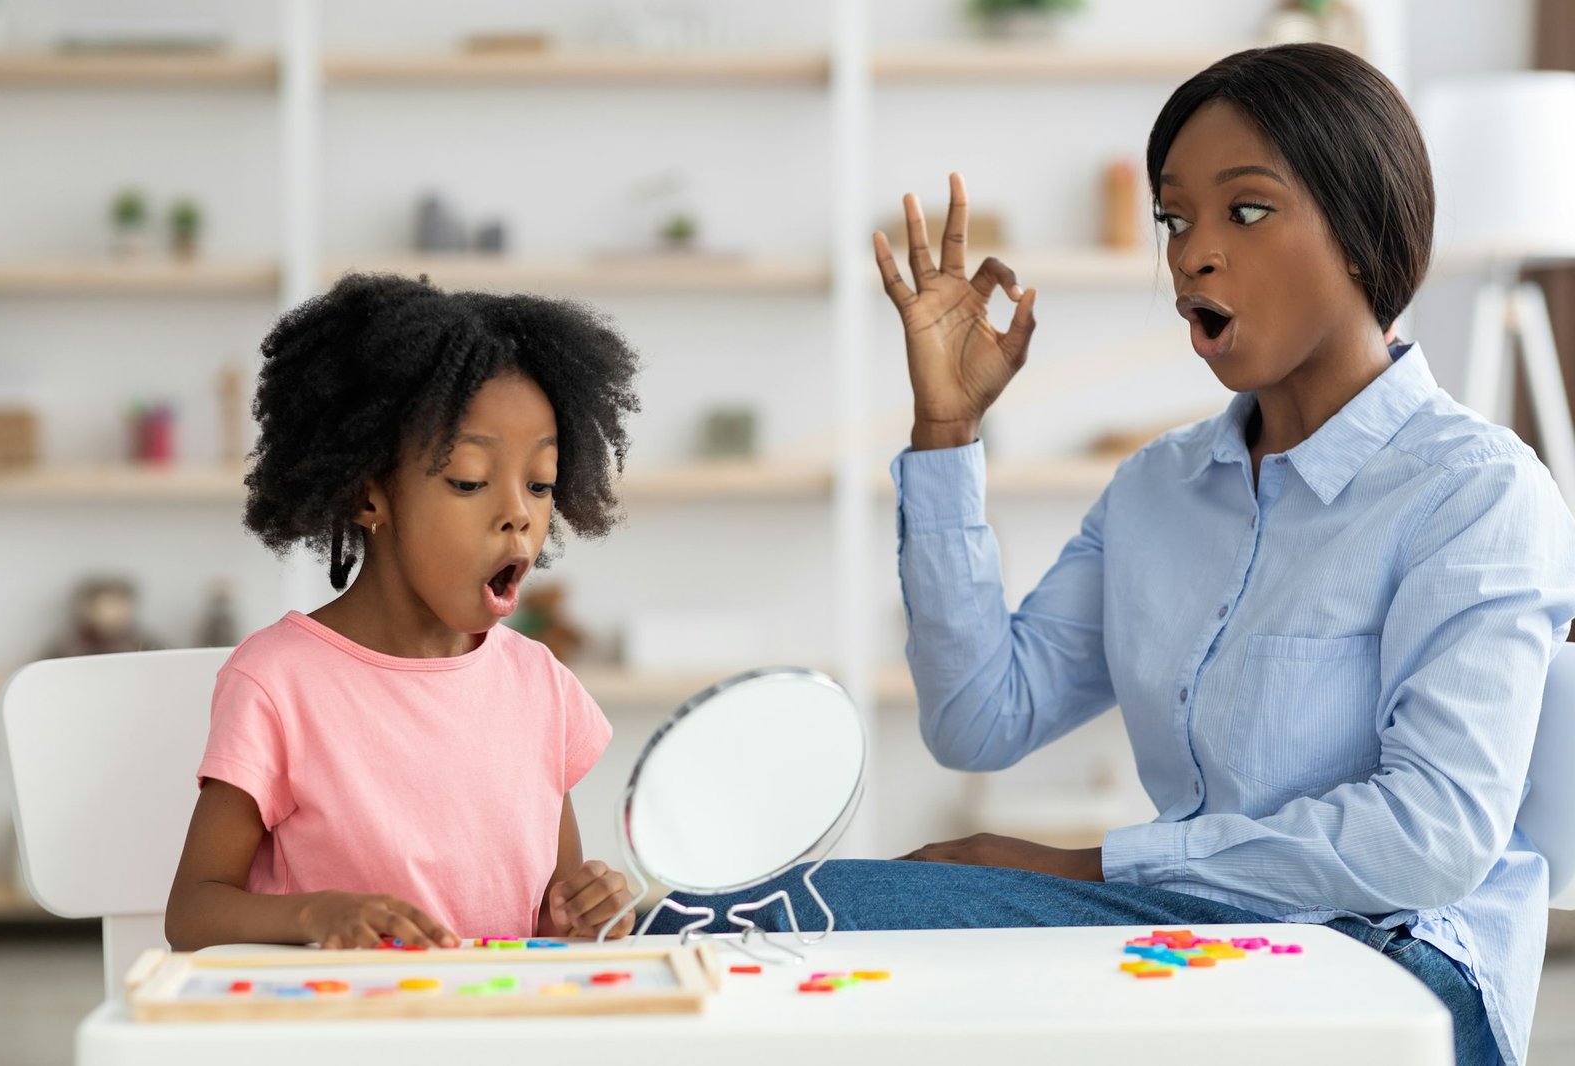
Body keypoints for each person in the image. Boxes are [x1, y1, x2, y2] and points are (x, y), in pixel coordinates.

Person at [650, 44, 1575, 1066]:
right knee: (724, 922)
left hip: (1399, 963)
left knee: (819, 923)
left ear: (1359, 234)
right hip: (1195, 934)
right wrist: (945, 433)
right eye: (1175, 219)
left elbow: (1430, 837)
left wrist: (1078, 868)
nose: (1191, 255)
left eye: (1246, 211)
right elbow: (977, 718)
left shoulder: (1475, 489)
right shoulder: (1156, 490)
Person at [165, 273, 642, 951]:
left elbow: (542, 923)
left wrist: (578, 917)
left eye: (540, 484)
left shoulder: (542, 687)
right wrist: (316, 914)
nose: (518, 514)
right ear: (369, 497)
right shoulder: (278, 684)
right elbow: (192, 914)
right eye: (470, 481)